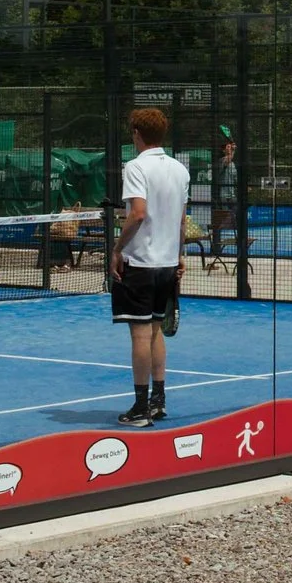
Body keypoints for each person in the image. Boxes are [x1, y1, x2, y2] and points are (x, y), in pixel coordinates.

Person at [109, 107, 191, 427]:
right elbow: (181, 220)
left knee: (141, 335)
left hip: (141, 264)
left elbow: (138, 213)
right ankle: (158, 402)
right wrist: (179, 254)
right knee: (156, 330)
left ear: (136, 134)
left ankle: (141, 409)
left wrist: (117, 249)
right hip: (168, 265)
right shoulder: (179, 170)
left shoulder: (135, 166)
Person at [210, 137, 239, 257]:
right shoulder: (222, 161)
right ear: (223, 150)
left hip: (232, 196)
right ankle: (216, 247)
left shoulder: (233, 164)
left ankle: (238, 245)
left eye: (230, 146)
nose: (230, 148)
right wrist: (234, 150)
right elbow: (228, 159)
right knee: (221, 221)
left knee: (237, 219)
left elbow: (235, 179)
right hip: (223, 196)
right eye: (227, 147)